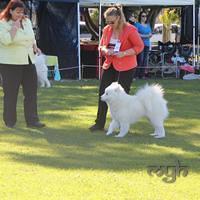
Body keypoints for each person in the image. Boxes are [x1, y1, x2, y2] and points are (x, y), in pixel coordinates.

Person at [89, 6, 144, 132]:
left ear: (119, 18)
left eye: (112, 22)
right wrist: (105, 50)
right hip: (110, 64)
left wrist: (124, 53)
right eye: (107, 22)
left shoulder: (130, 29)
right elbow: (101, 46)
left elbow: (139, 46)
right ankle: (99, 123)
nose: (110, 24)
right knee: (103, 93)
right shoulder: (106, 30)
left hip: (126, 66)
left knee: (123, 96)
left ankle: (122, 125)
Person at [0, 0, 45, 128]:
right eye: (17, 12)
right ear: (10, 11)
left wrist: (35, 46)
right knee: (11, 93)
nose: (20, 14)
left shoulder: (27, 21)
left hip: (28, 61)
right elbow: (6, 41)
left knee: (31, 92)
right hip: (10, 63)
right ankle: (10, 121)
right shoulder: (3, 23)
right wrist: (14, 27)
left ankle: (32, 121)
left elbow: (31, 37)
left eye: (22, 12)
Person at [135, 11, 152, 79]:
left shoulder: (148, 25)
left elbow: (150, 34)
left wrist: (144, 35)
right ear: (140, 17)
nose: (144, 17)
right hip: (140, 45)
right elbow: (136, 34)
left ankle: (142, 75)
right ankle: (136, 75)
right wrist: (146, 36)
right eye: (143, 16)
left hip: (147, 45)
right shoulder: (137, 24)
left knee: (145, 60)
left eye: (145, 16)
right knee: (140, 59)